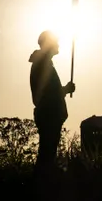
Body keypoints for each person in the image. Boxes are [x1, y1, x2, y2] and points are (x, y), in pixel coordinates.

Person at [28, 31, 75, 181]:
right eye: (55, 41)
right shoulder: (42, 65)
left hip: (49, 114)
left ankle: (42, 184)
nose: (58, 44)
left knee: (47, 154)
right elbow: (49, 93)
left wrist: (64, 90)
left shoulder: (43, 64)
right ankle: (42, 187)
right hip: (49, 114)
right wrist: (65, 90)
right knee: (46, 156)